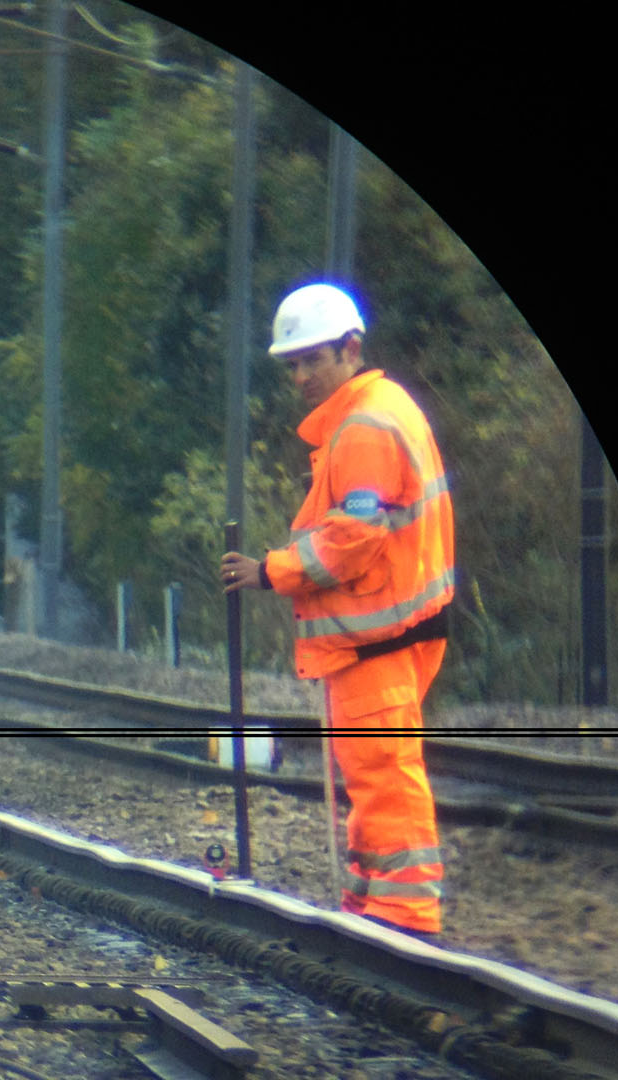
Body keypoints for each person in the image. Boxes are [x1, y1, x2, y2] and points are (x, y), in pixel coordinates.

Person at [219, 283, 455, 938]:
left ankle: (405, 921)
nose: (299, 376)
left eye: (310, 360)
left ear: (350, 349)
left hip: (377, 639)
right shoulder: (374, 413)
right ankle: (371, 915)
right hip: (381, 636)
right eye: (290, 364)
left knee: (382, 775)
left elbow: (353, 540)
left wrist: (272, 571)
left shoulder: (365, 428)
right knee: (368, 775)